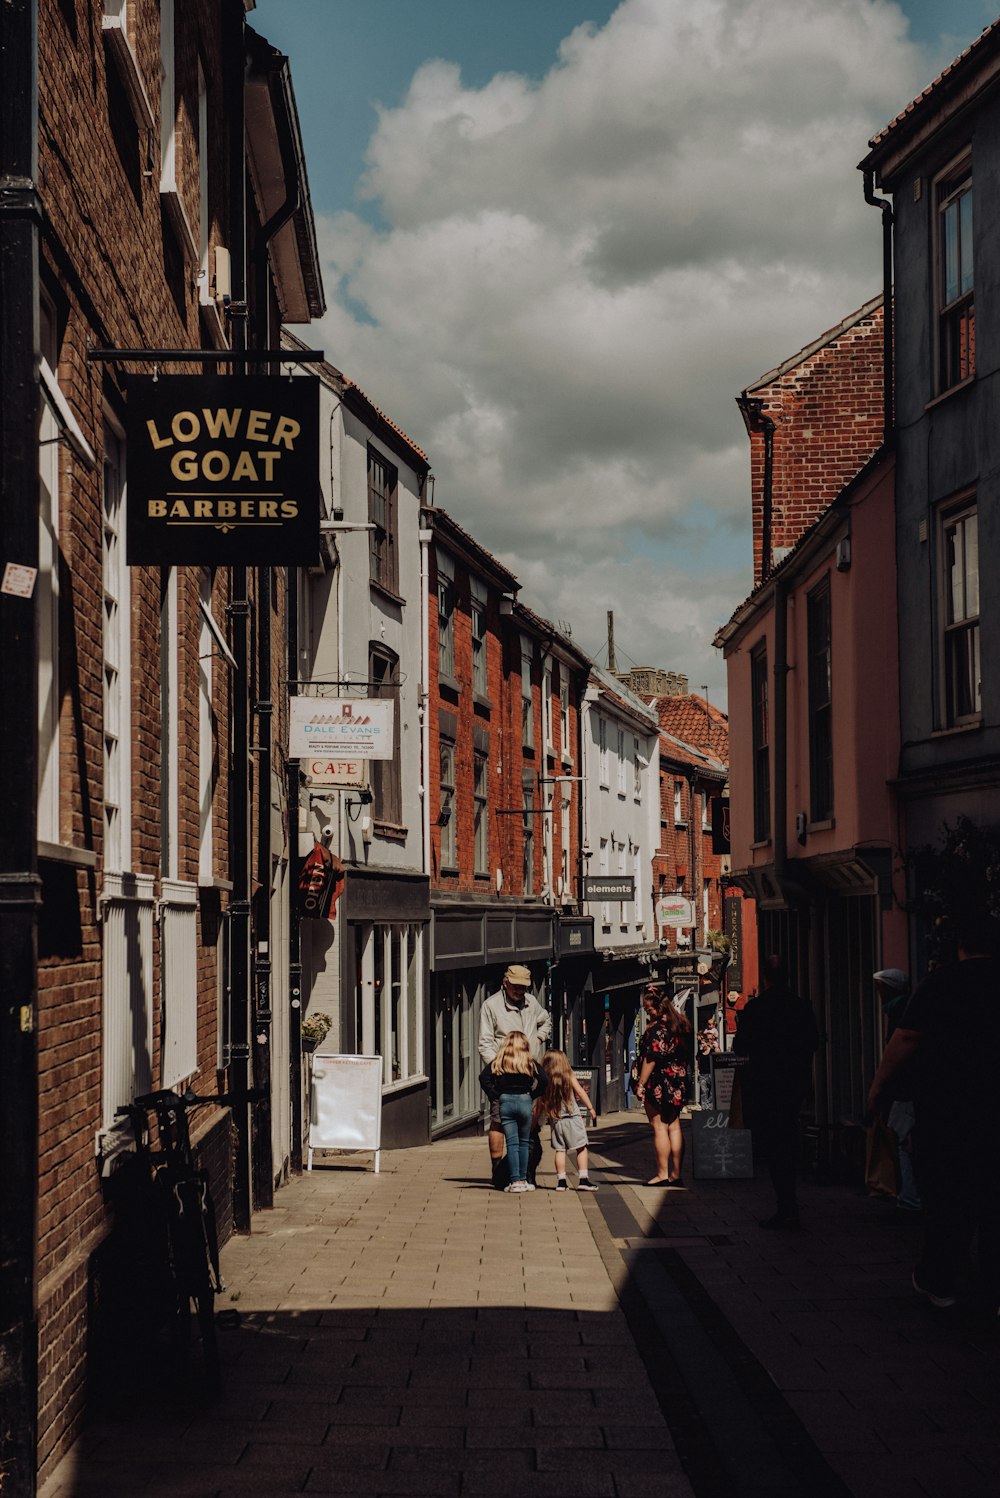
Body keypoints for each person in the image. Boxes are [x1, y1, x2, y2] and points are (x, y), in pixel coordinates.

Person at [868, 919, 1000, 1311]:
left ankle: (940, 1280)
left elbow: (906, 1037)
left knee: (948, 1199)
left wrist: (878, 1086)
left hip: (949, 1108)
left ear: (961, 946)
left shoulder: (941, 983)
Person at [735, 955, 818, 1229]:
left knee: (774, 1144)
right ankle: (790, 1200)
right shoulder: (802, 1007)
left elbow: (740, 1047)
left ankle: (786, 1204)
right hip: (793, 1083)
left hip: (765, 1085)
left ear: (766, 979)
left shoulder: (756, 1009)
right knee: (789, 1136)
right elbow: (813, 1044)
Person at [479, 964, 552, 1188]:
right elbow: (485, 1042)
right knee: (499, 1123)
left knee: (529, 1126)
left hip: (528, 1073)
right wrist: (498, 1068)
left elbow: (546, 1020)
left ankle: (524, 1173)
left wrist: (539, 1038)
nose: (520, 991)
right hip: (504, 1075)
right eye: (516, 986)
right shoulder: (491, 1005)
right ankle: (498, 1171)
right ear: (505, 982)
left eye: (524, 987)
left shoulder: (532, 1003)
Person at [872, 968, 921, 1212]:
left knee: (903, 1143)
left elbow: (902, 1049)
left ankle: (910, 1197)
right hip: (905, 1089)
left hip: (904, 1090)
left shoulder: (900, 1013)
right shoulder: (898, 1010)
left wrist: (881, 1087)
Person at [634, 985, 692, 1187]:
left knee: (659, 1126)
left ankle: (662, 1174)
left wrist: (641, 1083)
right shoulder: (681, 1024)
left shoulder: (657, 1029)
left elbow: (651, 1058)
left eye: (649, 1009)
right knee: (674, 1126)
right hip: (678, 1080)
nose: (647, 1012)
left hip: (658, 1081)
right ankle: (676, 1174)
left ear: (659, 1007)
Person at [479, 1032, 545, 1193]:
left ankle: (514, 1181)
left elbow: (483, 1078)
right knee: (524, 1142)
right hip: (524, 1101)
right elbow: (544, 1080)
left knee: (512, 1144)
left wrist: (495, 1094)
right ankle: (524, 1180)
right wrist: (533, 1095)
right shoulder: (530, 1062)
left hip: (506, 1102)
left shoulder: (499, 1061)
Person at [536, 1050, 599, 1191]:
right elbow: (580, 1092)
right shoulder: (568, 1074)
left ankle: (561, 1182)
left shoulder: (544, 1079)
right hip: (572, 1117)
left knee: (560, 1150)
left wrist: (536, 1119)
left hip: (556, 1120)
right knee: (581, 1147)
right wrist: (590, 1108)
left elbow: (540, 1101)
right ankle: (583, 1180)